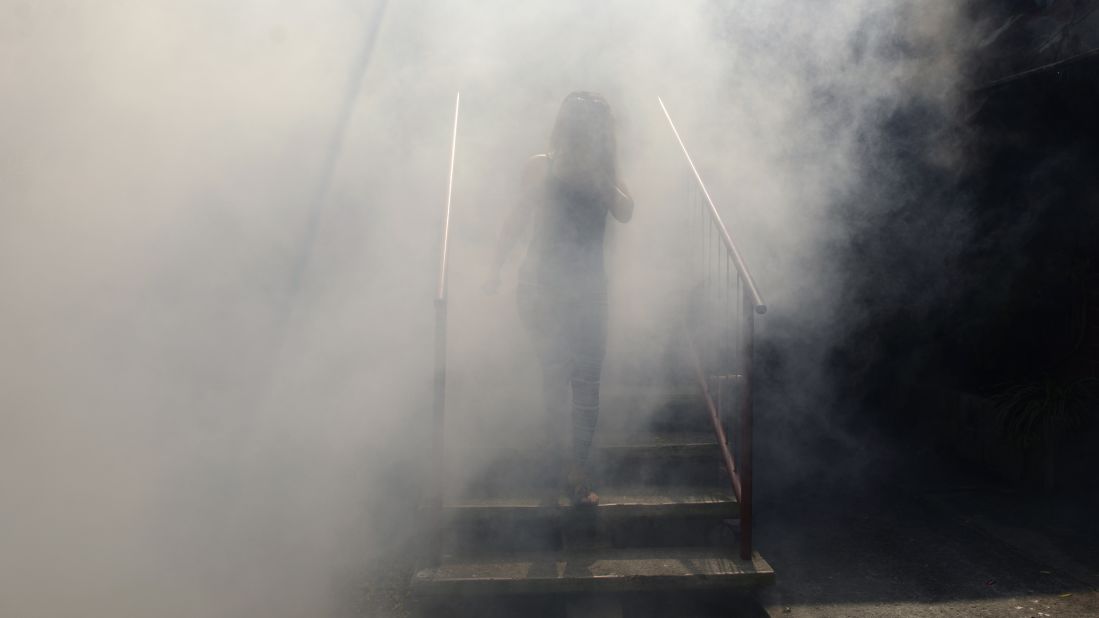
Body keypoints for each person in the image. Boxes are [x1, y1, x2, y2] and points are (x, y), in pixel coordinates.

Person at [485, 92, 633, 506]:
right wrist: (495, 268)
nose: (600, 132)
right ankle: (561, 471)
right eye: (594, 124)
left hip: (589, 289)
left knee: (586, 384)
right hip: (542, 286)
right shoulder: (541, 166)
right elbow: (515, 220)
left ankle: (575, 472)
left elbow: (627, 211)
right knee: (556, 375)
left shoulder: (606, 174)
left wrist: (601, 176)